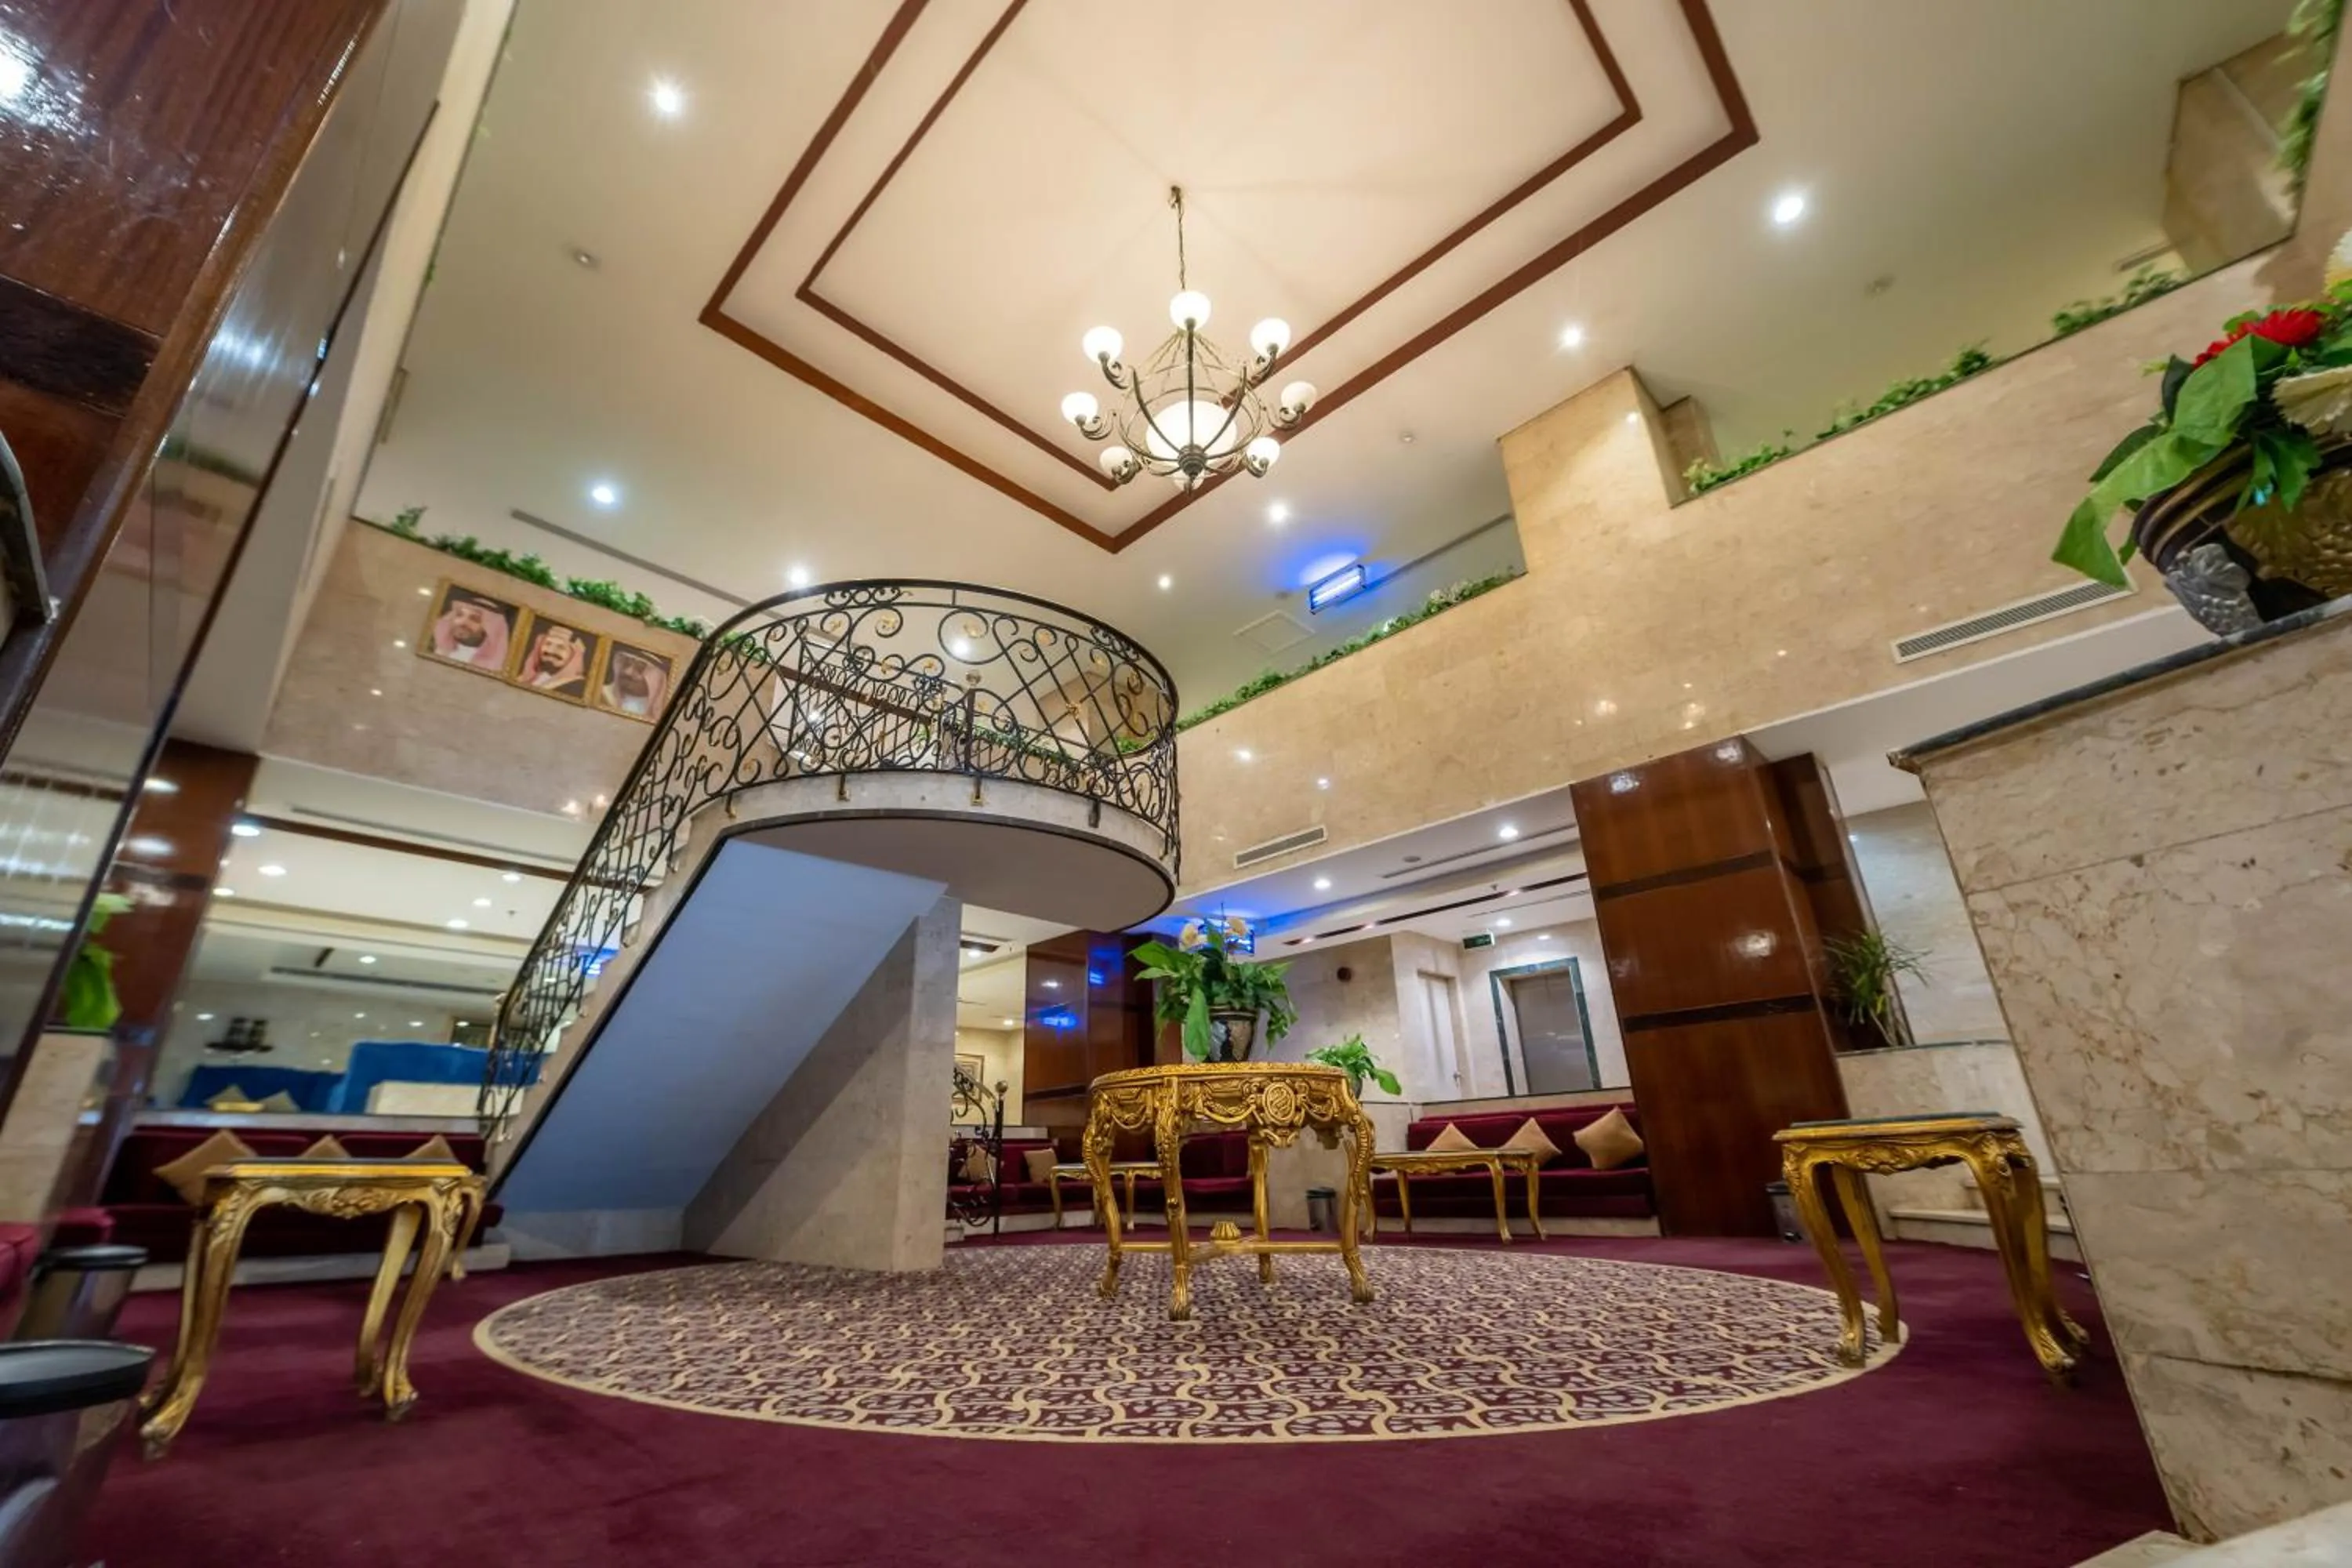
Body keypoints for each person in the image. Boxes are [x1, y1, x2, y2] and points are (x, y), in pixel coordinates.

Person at [429, 588, 512, 669]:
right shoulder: (433, 644)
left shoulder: (495, 662)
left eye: (475, 619)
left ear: (489, 627)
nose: (463, 622)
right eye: (459, 615)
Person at [521, 620, 593, 698]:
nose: (551, 651)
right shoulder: (529, 677)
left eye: (561, 647)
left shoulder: (577, 688)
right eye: (548, 643)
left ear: (574, 655)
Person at [599, 646, 669, 717]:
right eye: (626, 663)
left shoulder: (664, 713)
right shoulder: (602, 696)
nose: (629, 672)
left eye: (641, 667)